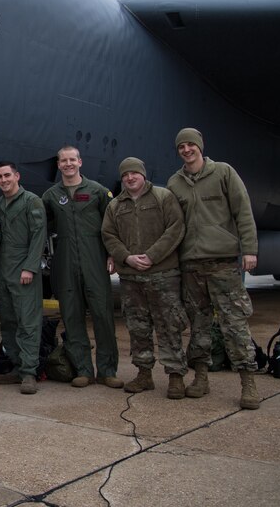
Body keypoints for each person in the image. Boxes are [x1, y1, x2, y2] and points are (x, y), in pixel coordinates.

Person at [167, 128, 261, 410]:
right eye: (181, 146)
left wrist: (250, 249)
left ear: (200, 146)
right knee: (199, 325)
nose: (186, 149)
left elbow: (242, 211)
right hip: (191, 265)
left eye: (190, 145)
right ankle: (201, 377)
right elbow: (173, 225)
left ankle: (248, 382)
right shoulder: (175, 182)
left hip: (223, 263)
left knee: (235, 324)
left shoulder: (223, 173)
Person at [102, 157, 189, 399]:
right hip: (131, 277)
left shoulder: (163, 197)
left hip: (163, 274)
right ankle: (144, 374)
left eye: (134, 173)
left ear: (143, 175)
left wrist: (152, 256)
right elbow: (108, 235)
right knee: (138, 327)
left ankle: (175, 375)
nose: (130, 178)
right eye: (125, 175)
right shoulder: (116, 205)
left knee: (169, 326)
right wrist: (126, 258)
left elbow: (176, 228)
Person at [41, 146, 122, 388]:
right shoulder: (51, 195)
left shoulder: (98, 192)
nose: (68, 164)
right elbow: (43, 225)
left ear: (80, 162)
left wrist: (112, 255)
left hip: (94, 259)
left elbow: (112, 226)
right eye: (63, 161)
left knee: (103, 315)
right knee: (72, 316)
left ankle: (108, 371)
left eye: (71, 160)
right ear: (58, 165)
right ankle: (83, 369)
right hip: (66, 260)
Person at [0, 161, 46, 394]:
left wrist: (30, 268)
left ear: (17, 176)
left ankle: (29, 373)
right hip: (3, 273)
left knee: (28, 323)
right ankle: (16, 365)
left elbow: (38, 236)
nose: (4, 180)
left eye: (7, 175)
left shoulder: (31, 201)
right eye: (0, 177)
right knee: (9, 322)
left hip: (24, 272)